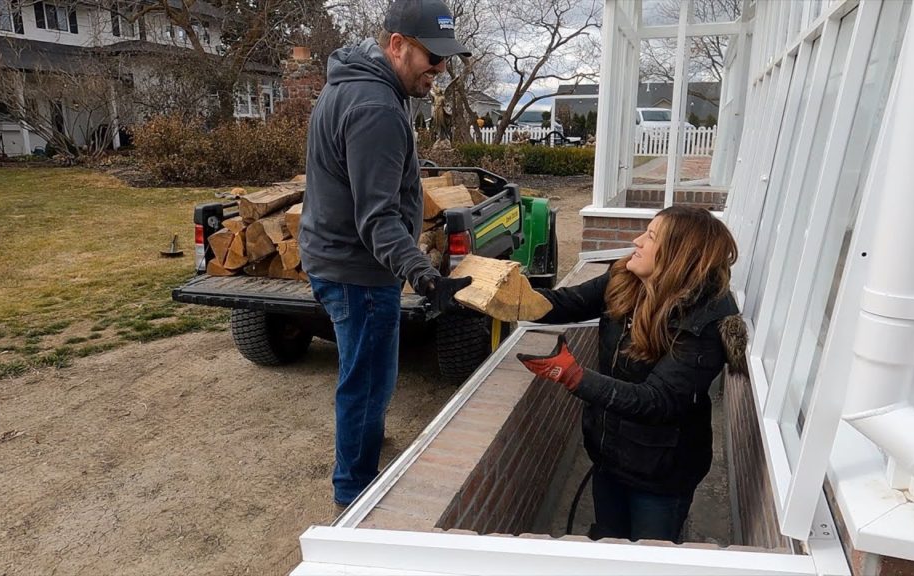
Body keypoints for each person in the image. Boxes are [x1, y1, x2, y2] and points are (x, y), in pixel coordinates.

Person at [299, 0, 473, 509]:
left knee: (365, 375)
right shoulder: (375, 108)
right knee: (369, 382)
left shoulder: (356, 86)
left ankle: (361, 452)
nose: (440, 69)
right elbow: (375, 218)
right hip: (358, 269)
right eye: (431, 56)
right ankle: (354, 492)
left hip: (334, 256)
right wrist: (424, 275)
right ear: (396, 45)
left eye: (445, 57)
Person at [517, 206, 746, 543]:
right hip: (609, 454)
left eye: (651, 236)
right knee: (610, 541)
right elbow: (566, 302)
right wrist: (511, 300)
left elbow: (658, 400)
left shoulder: (706, 318)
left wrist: (575, 377)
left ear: (679, 254)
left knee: (649, 556)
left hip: (661, 472)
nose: (637, 241)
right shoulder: (626, 278)